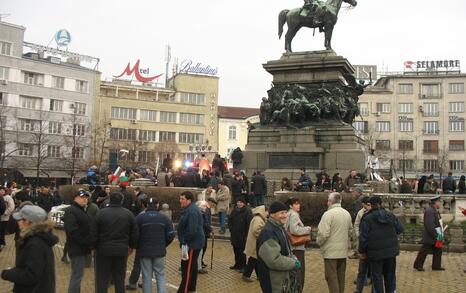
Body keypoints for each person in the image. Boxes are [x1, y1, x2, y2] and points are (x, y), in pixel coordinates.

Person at [1, 205, 58, 293]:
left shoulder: (35, 244)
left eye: (20, 219)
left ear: (28, 222)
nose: (18, 222)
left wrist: (8, 273)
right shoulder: (40, 238)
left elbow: (31, 275)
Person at [90, 192, 139, 293]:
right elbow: (135, 233)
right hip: (121, 250)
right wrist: (132, 246)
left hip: (103, 250)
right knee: (119, 278)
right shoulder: (128, 214)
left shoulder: (101, 213)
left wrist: (93, 247)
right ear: (122, 201)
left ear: (109, 200)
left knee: (102, 278)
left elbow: (93, 232)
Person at [359, 196, 404, 293]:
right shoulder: (390, 215)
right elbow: (400, 229)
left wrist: (362, 251)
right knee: (390, 276)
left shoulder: (367, 218)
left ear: (370, 205)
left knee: (377, 277)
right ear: (381, 203)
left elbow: (363, 238)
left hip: (375, 253)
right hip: (391, 251)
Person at [257, 201, 301, 293]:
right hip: (273, 281)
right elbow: (274, 260)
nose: (285, 215)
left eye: (285, 212)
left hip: (281, 279)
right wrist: (293, 263)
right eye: (281, 213)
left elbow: (286, 251)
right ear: (272, 214)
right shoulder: (268, 233)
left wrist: (293, 258)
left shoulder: (279, 228)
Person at [316, 192, 353, 293]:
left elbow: (323, 234)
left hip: (330, 252)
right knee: (341, 277)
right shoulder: (347, 213)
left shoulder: (328, 214)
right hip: (343, 251)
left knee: (331, 278)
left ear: (330, 202)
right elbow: (351, 231)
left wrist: (319, 242)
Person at [137, 197, 175, 293]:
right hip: (159, 251)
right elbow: (171, 234)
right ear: (158, 205)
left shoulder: (140, 217)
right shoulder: (164, 218)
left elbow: (134, 235)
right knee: (160, 275)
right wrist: (164, 244)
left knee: (146, 276)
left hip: (144, 251)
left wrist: (137, 246)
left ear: (146, 205)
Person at [63, 189, 93, 293]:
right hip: (77, 248)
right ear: (75, 198)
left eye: (86, 197)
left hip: (81, 248)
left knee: (78, 275)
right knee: (77, 275)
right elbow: (72, 231)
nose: (85, 199)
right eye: (82, 197)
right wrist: (86, 242)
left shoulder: (81, 210)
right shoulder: (71, 210)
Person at [177, 191, 205, 293]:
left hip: (192, 244)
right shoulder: (189, 209)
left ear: (189, 200)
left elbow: (192, 230)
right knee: (192, 267)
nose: (180, 201)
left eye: (182, 199)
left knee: (187, 269)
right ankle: (191, 288)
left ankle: (183, 290)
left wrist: (184, 241)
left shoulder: (191, 211)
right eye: (180, 198)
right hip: (192, 242)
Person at [285, 197, 312, 290]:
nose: (298, 205)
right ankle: (297, 289)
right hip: (297, 247)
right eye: (295, 204)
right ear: (290, 206)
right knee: (299, 271)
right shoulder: (294, 215)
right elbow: (294, 230)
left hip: (291, 246)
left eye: (298, 203)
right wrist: (307, 229)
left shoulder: (288, 214)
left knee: (293, 270)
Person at [413, 195, 445, 271]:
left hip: (438, 233)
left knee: (438, 250)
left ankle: (436, 266)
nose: (440, 203)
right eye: (439, 202)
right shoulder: (430, 211)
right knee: (424, 250)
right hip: (431, 235)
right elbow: (430, 225)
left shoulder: (435, 210)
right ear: (435, 202)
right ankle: (418, 265)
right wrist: (436, 235)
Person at [243, 205, 267, 282]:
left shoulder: (258, 218)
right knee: (253, 259)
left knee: (256, 259)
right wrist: (263, 236)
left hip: (255, 243)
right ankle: (246, 275)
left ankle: (259, 276)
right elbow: (256, 230)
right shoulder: (258, 219)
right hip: (255, 243)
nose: (267, 213)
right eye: (266, 211)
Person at [228, 197, 253, 272]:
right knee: (236, 250)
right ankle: (237, 264)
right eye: (238, 202)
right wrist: (231, 228)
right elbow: (230, 220)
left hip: (243, 235)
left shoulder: (247, 211)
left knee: (242, 251)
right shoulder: (234, 210)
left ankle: (243, 266)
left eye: (241, 202)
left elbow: (249, 224)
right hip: (235, 234)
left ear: (244, 203)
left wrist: (247, 234)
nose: (239, 203)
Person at [353, 196, 372, 293]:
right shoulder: (360, 213)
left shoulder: (373, 212)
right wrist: (358, 235)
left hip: (371, 242)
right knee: (363, 263)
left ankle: (368, 278)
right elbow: (356, 225)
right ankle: (363, 280)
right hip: (363, 240)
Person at [197, 200, 212, 274]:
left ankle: (199, 265)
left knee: (201, 251)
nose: (205, 207)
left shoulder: (203, 213)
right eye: (204, 206)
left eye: (205, 206)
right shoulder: (199, 214)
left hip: (203, 233)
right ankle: (198, 267)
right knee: (199, 251)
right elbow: (204, 223)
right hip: (200, 235)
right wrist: (210, 229)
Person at [0, 186, 14, 251]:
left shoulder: (8, 198)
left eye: (2, 190)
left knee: (2, 230)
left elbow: (11, 207)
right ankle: (2, 242)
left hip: (4, 217)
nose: (1, 191)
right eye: (0, 190)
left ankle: (2, 243)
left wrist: (5, 213)